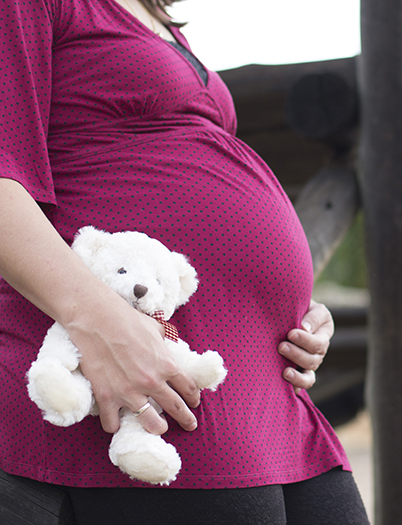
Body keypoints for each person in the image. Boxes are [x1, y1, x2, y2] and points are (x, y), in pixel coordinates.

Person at [0, 0, 369, 523]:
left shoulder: (153, 16)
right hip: (139, 373)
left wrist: (287, 311)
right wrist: (102, 325)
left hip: (261, 381)